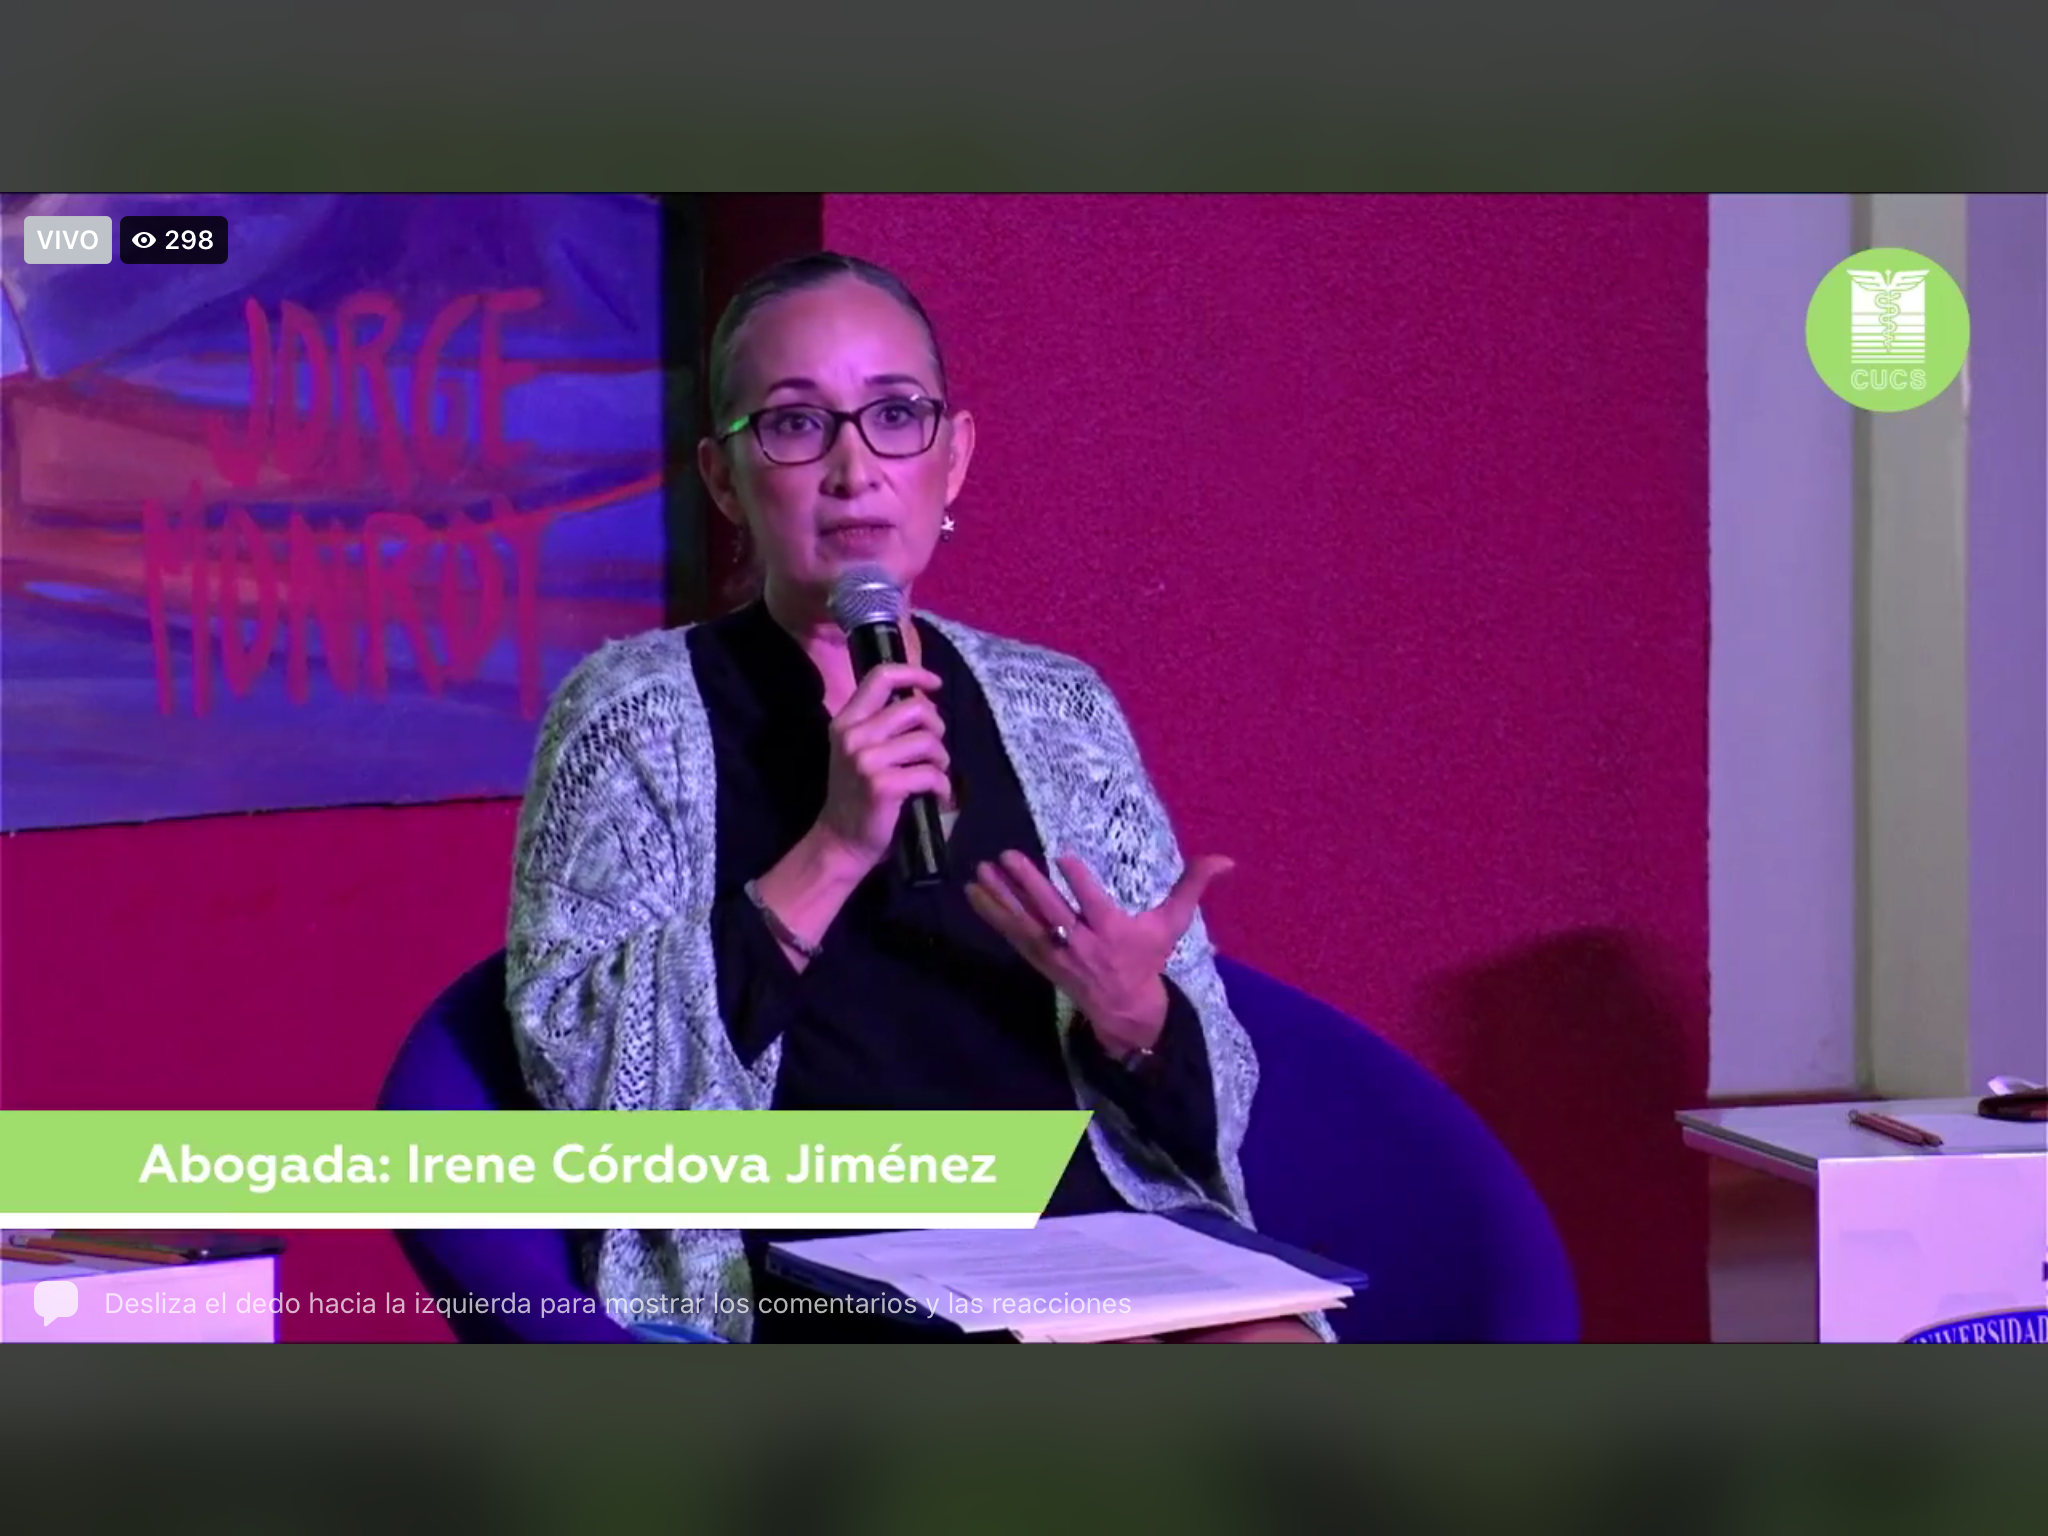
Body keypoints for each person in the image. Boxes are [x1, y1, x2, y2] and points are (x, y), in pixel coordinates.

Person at [506, 251, 1326, 1344]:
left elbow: (1203, 1087)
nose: (854, 469)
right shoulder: (631, 714)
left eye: (895, 415)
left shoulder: (1060, 707)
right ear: (724, 479)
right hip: (810, 1256)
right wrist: (835, 848)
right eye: (796, 425)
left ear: (954, 457)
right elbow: (572, 1060)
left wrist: (1136, 1019)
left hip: (1077, 1231)